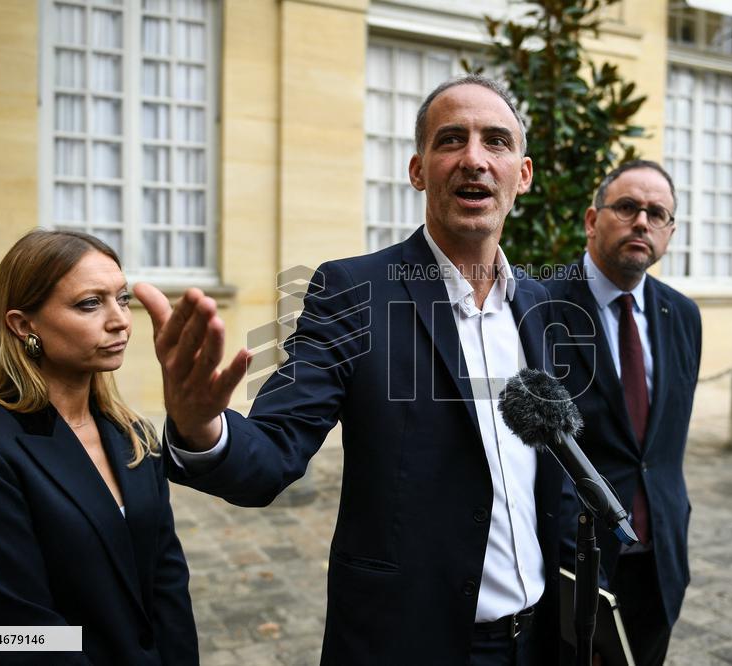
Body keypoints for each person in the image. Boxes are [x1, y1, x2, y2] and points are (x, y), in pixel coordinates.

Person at [133, 75, 564, 665]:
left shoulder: (540, 305)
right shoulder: (354, 292)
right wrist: (202, 426)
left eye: (496, 142)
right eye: (450, 141)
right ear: (418, 170)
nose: (474, 159)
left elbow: (555, 473)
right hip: (408, 642)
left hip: (538, 640)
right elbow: (275, 450)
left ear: (524, 172)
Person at [0, 230, 199, 666]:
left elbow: (167, 584)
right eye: (90, 303)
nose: (120, 320)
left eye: (122, 298)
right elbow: (11, 635)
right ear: (22, 324)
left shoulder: (134, 433)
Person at [544, 161, 702, 665]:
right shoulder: (539, 305)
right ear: (592, 220)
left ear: (670, 232)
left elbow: (660, 448)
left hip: (659, 561)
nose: (642, 222)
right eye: (628, 207)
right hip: (573, 564)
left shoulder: (683, 315)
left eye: (658, 214)